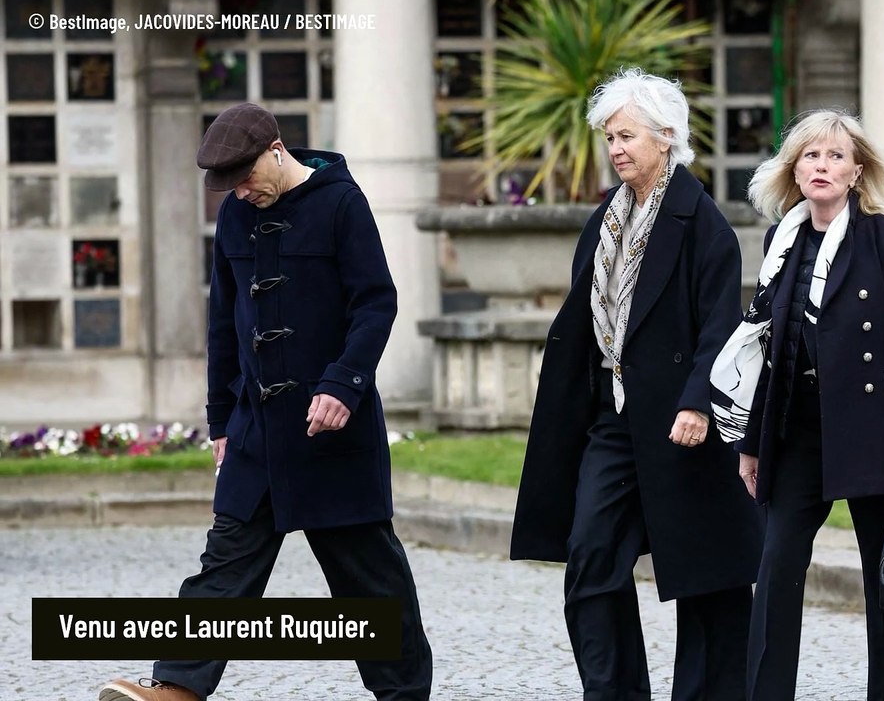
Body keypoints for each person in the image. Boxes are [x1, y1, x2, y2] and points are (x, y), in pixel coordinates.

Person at [101, 103, 432, 701]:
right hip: (256, 428)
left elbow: (375, 304)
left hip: (333, 430)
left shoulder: (341, 203)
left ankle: (404, 696)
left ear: (276, 149)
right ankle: (175, 687)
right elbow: (224, 325)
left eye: (247, 175)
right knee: (223, 563)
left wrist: (343, 384)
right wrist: (220, 421)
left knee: (371, 582)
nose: (242, 191)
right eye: (229, 184)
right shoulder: (235, 214)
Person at [510, 68, 762, 701]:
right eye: (610, 138)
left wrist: (700, 400)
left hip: (685, 425)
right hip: (615, 419)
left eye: (626, 136)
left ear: (666, 137)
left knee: (705, 578)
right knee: (590, 553)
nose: (616, 149)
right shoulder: (607, 221)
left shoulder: (703, 223)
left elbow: (721, 322)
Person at [710, 110, 884, 701]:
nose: (823, 166)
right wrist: (752, 442)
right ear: (794, 168)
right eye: (811, 155)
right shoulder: (781, 240)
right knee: (777, 568)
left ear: (857, 172)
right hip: (795, 430)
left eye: (836, 156)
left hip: (873, 432)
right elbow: (770, 345)